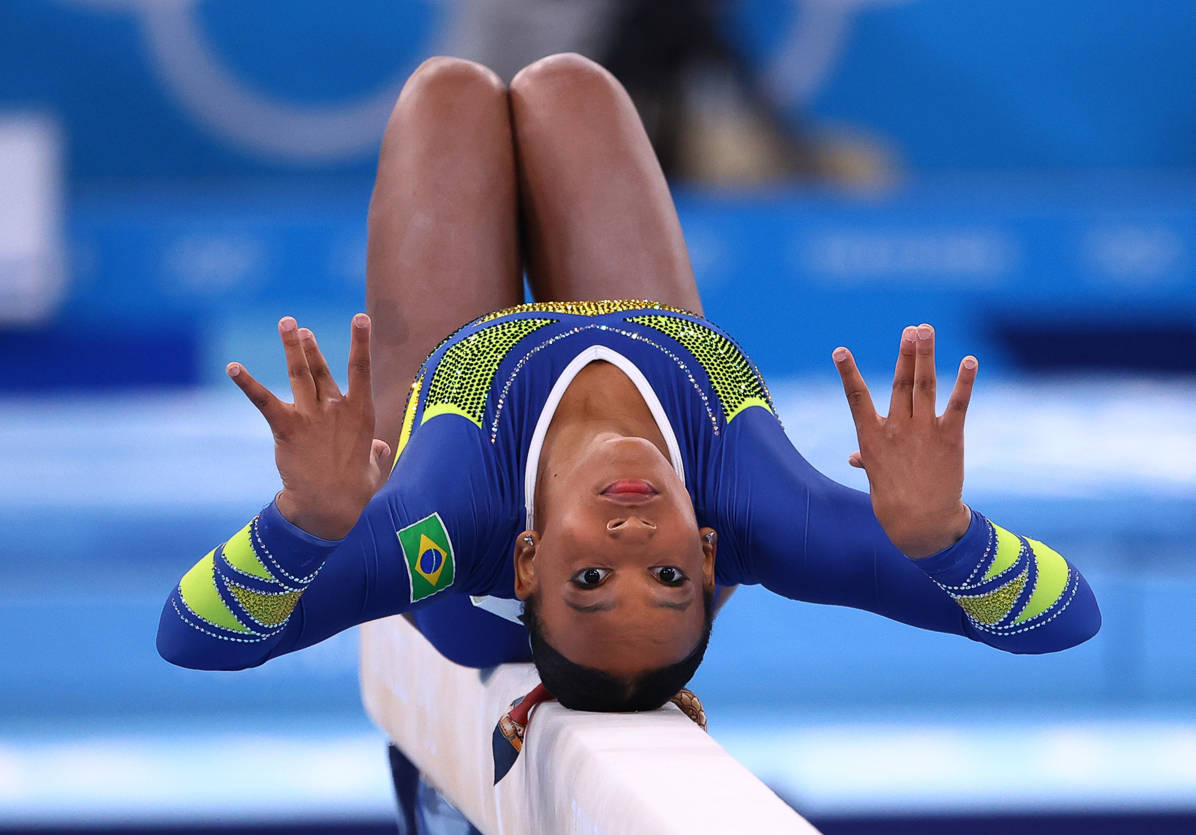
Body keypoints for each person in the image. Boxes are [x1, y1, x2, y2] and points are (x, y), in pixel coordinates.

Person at [156, 54, 1100, 712]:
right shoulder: (772, 513)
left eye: (592, 576)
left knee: (445, 94)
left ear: (526, 561)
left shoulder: (442, 521)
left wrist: (302, 525)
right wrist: (948, 538)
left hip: (460, 441)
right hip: (651, 347)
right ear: (716, 554)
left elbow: (193, 639)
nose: (634, 537)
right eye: (674, 575)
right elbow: (1066, 621)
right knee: (570, 87)